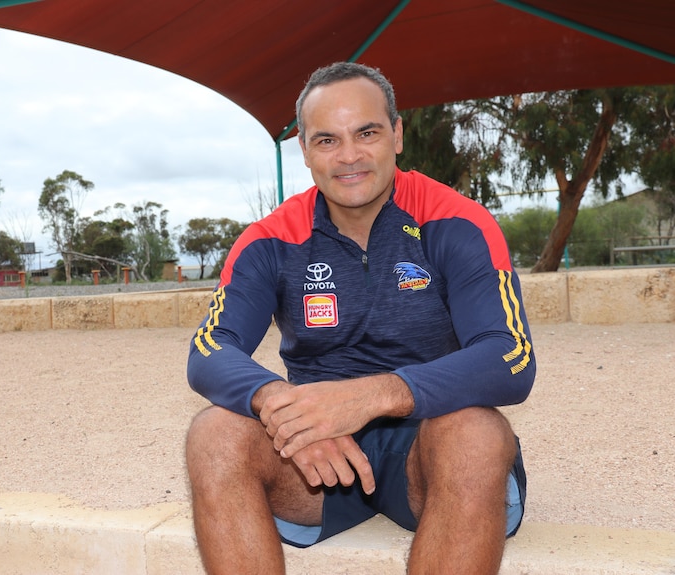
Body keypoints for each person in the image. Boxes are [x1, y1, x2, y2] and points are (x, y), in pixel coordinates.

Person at [185, 61, 535, 575]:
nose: (348, 157)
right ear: (304, 151)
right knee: (214, 434)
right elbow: (210, 348)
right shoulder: (270, 240)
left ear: (396, 134)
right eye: (326, 140)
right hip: (315, 462)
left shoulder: (457, 221)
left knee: (477, 433)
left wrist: (371, 395)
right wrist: (286, 407)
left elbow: (510, 356)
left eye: (366, 133)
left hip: (429, 449)